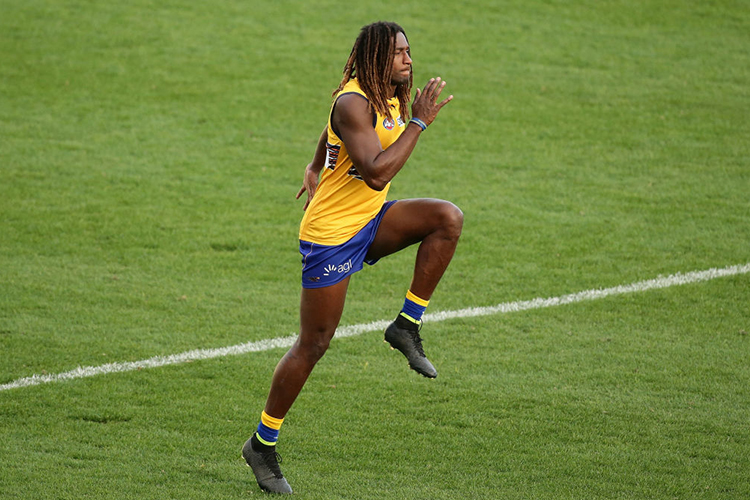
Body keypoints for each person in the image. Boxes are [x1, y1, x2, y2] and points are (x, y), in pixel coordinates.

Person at [242, 21, 463, 494]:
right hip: (331, 237)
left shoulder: (389, 96)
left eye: (409, 50)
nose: (408, 59)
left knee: (447, 218)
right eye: (399, 53)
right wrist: (419, 124)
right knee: (314, 344)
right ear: (377, 58)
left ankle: (406, 324)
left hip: (369, 221)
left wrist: (314, 162)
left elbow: (333, 138)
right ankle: (262, 443)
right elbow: (377, 173)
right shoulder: (354, 101)